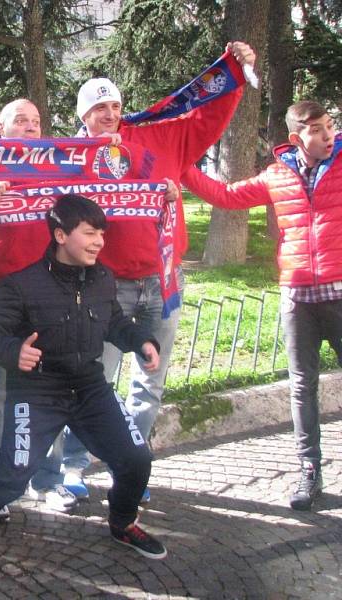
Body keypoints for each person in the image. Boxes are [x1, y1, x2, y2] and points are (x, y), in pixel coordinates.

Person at [0, 194, 165, 577]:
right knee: (11, 477)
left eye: (101, 234)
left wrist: (142, 341)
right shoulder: (21, 285)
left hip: (90, 388)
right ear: (60, 235)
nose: (99, 242)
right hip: (38, 392)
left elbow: (115, 323)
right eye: (89, 233)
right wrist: (13, 352)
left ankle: (122, 524)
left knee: (137, 460)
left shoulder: (103, 278)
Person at [67, 41, 257, 500]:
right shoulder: (73, 154)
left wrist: (234, 73)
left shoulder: (160, 137)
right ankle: (73, 467)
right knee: (93, 379)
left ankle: (129, 470)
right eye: (99, 108)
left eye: (115, 105)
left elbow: (206, 117)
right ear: (83, 116)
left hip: (161, 282)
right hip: (104, 288)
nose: (110, 113)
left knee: (148, 382)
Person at [181, 100, 341, 511]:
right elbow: (225, 195)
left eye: (330, 126)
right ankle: (309, 472)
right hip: (297, 297)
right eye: (318, 129)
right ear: (296, 138)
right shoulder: (277, 176)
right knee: (302, 387)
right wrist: (181, 168)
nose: (327, 135)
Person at [0, 98, 82, 516]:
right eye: (21, 121)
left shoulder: (57, 164)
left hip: (53, 289)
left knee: (49, 389)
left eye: (35, 121)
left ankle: (46, 479)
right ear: (1, 128)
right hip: (2, 292)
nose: (31, 127)